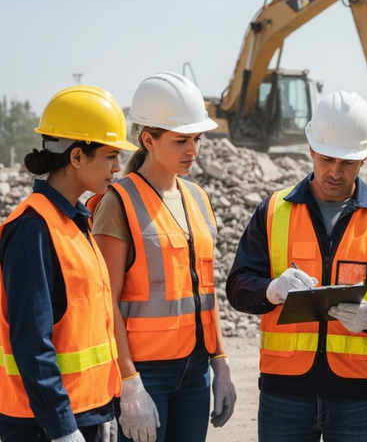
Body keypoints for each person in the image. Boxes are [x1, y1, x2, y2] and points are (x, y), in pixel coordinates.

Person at [226, 90, 367, 442]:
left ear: (364, 158)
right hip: (284, 395)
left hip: (359, 397)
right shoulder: (272, 211)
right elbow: (238, 287)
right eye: (327, 158)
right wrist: (271, 290)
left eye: (346, 162)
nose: (334, 171)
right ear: (312, 149)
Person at [91, 72, 236, 442]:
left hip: (196, 369)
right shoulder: (118, 202)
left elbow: (207, 291)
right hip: (146, 372)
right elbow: (105, 304)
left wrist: (220, 364)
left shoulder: (199, 198)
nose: (193, 150)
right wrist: (129, 383)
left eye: (197, 139)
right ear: (148, 140)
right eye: (181, 140)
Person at [0, 85, 138, 442]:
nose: (117, 167)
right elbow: (32, 342)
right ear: (77, 157)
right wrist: (62, 427)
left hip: (83, 413)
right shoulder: (33, 228)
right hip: (41, 425)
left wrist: (103, 408)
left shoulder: (76, 222)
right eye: (110, 156)